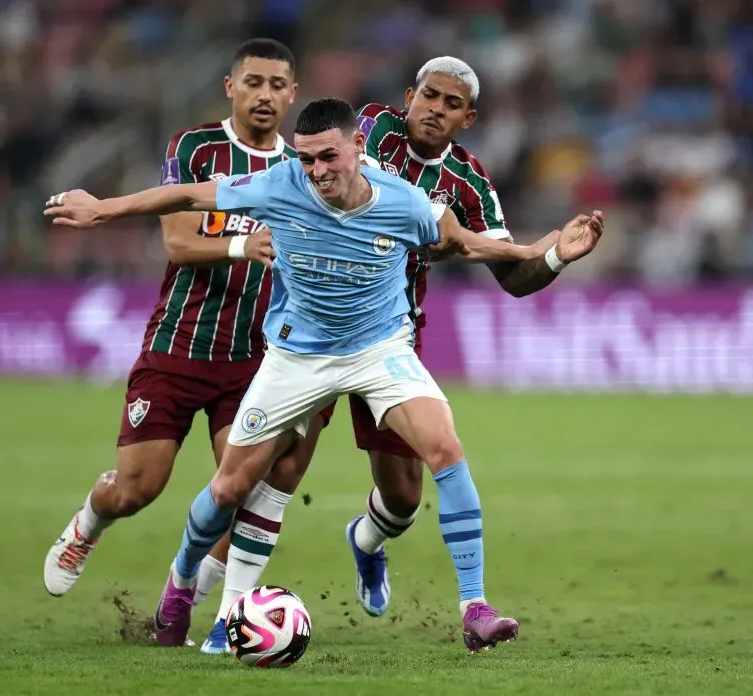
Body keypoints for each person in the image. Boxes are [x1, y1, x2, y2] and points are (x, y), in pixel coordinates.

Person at [43, 97, 604, 652]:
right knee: (233, 486)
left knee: (446, 449)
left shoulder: (406, 202)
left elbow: (461, 242)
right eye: (307, 159)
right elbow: (188, 193)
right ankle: (182, 584)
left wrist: (543, 249)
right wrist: (102, 209)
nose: (316, 172)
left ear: (358, 147)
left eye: (327, 158)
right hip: (297, 358)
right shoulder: (279, 184)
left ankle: (475, 609)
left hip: (379, 349)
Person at [202, 56, 604, 649]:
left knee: (403, 498)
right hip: (309, 331)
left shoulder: (469, 184)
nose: (435, 110)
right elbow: (292, 180)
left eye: (451, 104)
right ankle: (221, 612)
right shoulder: (361, 130)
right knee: (280, 469)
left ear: (469, 117)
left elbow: (510, 277)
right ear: (408, 95)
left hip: (386, 339)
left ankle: (366, 541)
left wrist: (553, 257)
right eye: (428, 96)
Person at [42, 39, 330, 647]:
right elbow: (176, 241)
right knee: (139, 488)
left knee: (243, 484)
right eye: (253, 82)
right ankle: (90, 521)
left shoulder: (304, 166)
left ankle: (198, 586)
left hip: (253, 358)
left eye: (278, 85)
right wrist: (239, 245)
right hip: (180, 343)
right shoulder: (196, 148)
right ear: (231, 87)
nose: (265, 95)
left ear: (293, 94)